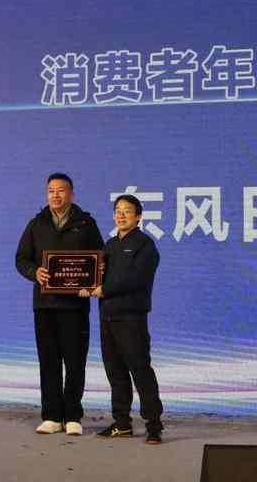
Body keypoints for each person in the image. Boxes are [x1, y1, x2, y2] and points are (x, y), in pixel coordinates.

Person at [15, 173, 104, 436]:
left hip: (76, 306)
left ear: (71, 194)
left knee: (75, 362)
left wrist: (94, 277)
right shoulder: (37, 223)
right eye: (51, 191)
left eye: (61, 190)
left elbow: (100, 258)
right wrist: (35, 272)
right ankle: (52, 416)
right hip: (44, 305)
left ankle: (73, 415)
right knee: (48, 361)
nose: (55, 195)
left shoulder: (86, 223)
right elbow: (21, 259)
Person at [81, 194, 164, 444]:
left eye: (127, 210)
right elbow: (96, 274)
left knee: (140, 371)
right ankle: (122, 423)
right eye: (118, 210)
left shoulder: (145, 246)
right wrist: (86, 282)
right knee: (115, 372)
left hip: (131, 318)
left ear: (138, 216)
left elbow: (136, 280)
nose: (121, 214)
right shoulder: (109, 245)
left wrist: (104, 289)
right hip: (107, 316)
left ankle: (154, 426)